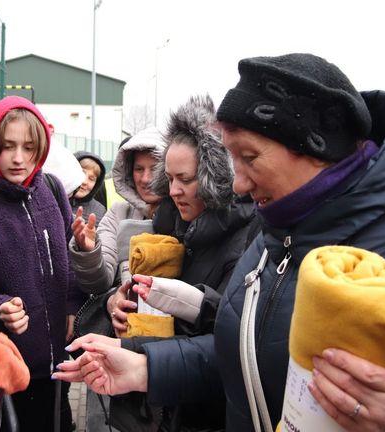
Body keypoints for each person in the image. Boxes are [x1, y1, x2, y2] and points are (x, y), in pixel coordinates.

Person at [55, 53, 385, 431]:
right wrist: (144, 367)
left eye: (249, 157)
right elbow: (248, 357)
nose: (235, 184)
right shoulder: (275, 234)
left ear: (317, 149)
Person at [105, 94, 261, 432]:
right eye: (170, 179)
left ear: (214, 176)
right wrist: (120, 300)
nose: (173, 191)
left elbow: (225, 341)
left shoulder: (245, 241)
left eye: (186, 180)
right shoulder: (170, 224)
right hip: (165, 405)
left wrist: (138, 357)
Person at [0, 95, 83, 431]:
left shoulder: (51, 189)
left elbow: (67, 256)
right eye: (7, 146)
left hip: (56, 367)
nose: (19, 158)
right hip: (3, 373)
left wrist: (72, 302)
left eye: (29, 147)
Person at [69, 127, 166, 295]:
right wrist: (89, 252)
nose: (145, 179)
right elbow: (99, 283)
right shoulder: (118, 214)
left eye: (155, 168)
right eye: (139, 169)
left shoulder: (187, 216)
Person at [70, 151, 108, 224]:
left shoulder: (99, 211)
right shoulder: (53, 200)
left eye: (91, 179)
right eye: (82, 173)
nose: (84, 182)